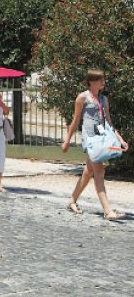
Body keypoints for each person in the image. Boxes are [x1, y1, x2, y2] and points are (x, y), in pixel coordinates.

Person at [62, 69, 128, 221]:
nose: (103, 82)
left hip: (101, 138)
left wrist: (120, 139)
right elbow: (75, 120)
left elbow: (109, 123)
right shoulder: (82, 98)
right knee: (100, 171)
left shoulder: (104, 100)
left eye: (103, 79)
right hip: (90, 139)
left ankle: (72, 200)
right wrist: (67, 141)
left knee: (88, 172)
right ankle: (108, 211)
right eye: (100, 79)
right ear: (91, 81)